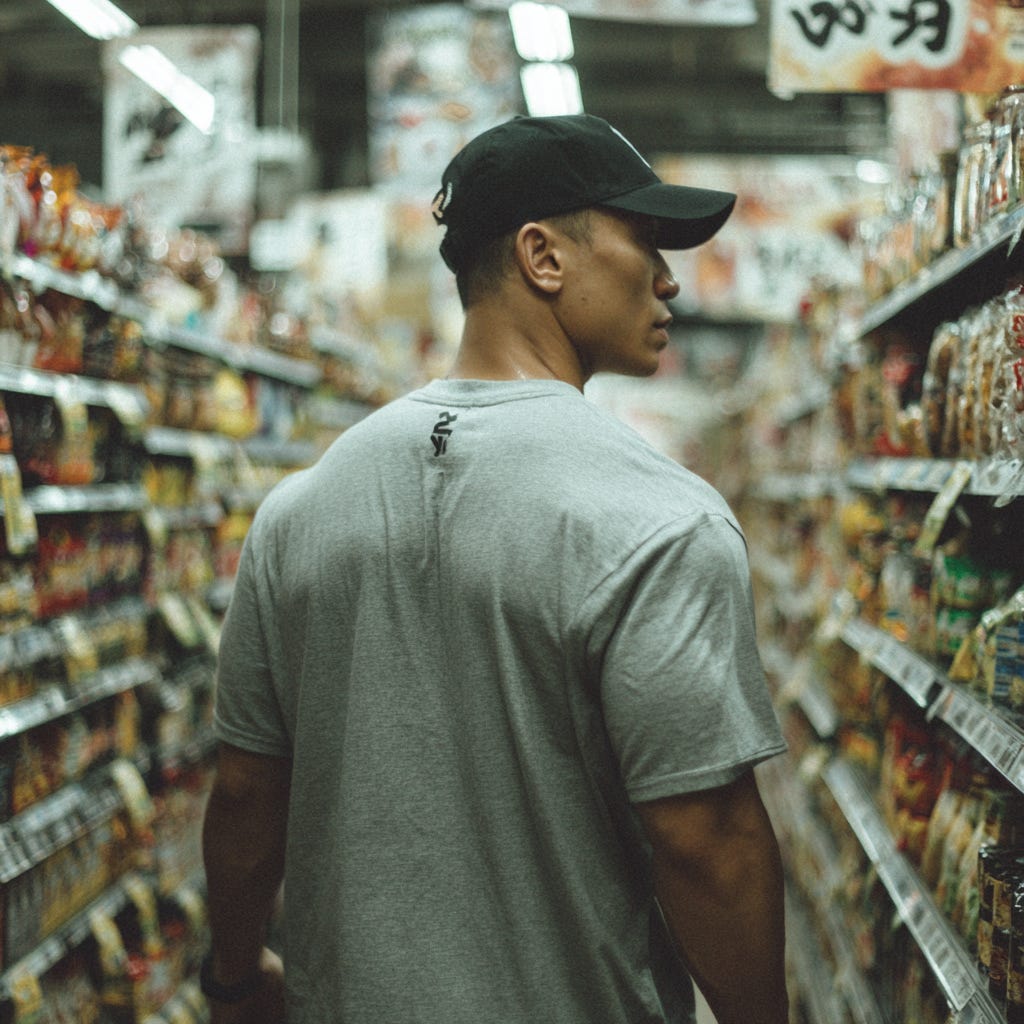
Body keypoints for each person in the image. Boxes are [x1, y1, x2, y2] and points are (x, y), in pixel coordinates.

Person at [201, 112, 789, 1024]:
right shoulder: (658, 521)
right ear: (542, 257)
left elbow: (244, 795)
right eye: (647, 242)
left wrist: (236, 975)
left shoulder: (296, 513)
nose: (671, 279)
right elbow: (706, 840)